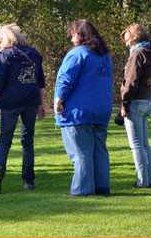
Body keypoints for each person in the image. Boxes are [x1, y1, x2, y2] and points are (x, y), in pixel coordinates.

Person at [54, 19, 113, 196]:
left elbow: (66, 78)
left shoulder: (78, 53)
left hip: (78, 111)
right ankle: (102, 187)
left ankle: (82, 189)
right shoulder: (104, 56)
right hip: (101, 110)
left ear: (81, 35)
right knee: (99, 151)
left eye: (73, 36)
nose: (72, 40)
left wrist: (59, 100)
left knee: (80, 152)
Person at [0, 24, 46, 195]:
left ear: (4, 39)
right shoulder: (34, 54)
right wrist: (42, 103)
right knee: (27, 141)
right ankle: (29, 180)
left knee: (5, 140)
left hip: (11, 102)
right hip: (31, 101)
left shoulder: (5, 55)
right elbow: (41, 81)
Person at [120, 23, 151, 189]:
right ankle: (150, 179)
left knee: (136, 145)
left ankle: (142, 181)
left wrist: (125, 104)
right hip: (146, 100)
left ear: (135, 38)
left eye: (128, 40)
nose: (126, 44)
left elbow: (131, 82)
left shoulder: (137, 54)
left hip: (135, 102)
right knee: (144, 145)